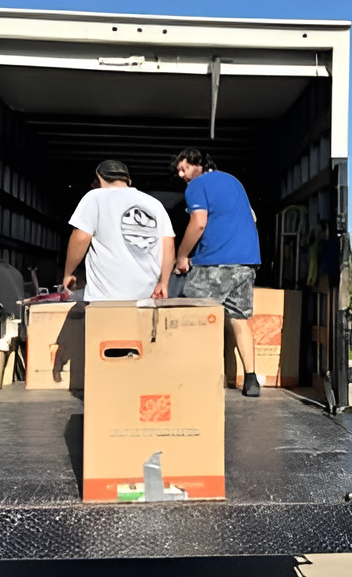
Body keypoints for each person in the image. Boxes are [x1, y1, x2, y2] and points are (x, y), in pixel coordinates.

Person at [172, 148, 263, 397]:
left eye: (184, 168)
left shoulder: (197, 185)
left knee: (189, 312)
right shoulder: (233, 181)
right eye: (178, 170)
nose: (181, 174)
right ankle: (251, 380)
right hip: (246, 261)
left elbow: (199, 222)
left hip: (216, 261)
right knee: (240, 319)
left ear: (198, 164)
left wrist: (181, 256)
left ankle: (191, 375)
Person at [63, 160, 175, 301]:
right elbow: (168, 245)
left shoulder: (95, 197)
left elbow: (81, 237)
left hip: (105, 299)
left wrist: (68, 273)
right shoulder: (154, 204)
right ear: (128, 180)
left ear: (98, 179)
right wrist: (163, 283)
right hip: (147, 297)